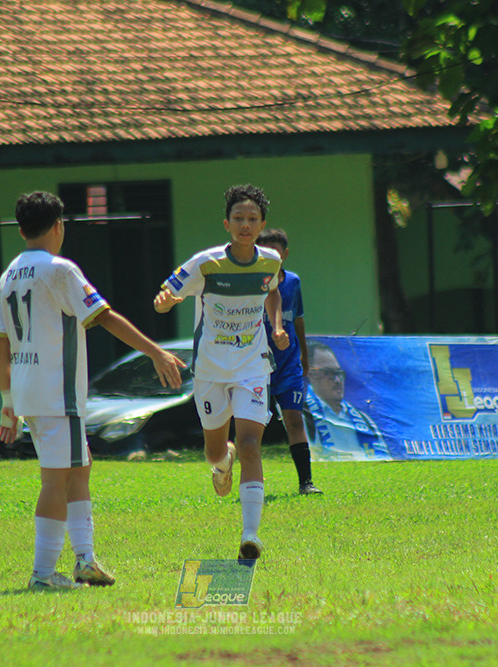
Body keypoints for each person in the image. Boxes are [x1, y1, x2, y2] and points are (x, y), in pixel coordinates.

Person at [0, 191, 185, 591]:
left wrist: (8, 401)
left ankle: (84, 559)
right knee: (56, 479)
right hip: (55, 392)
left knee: (80, 467)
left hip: (31, 391)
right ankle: (43, 574)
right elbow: (104, 316)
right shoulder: (59, 269)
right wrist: (156, 352)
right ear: (58, 226)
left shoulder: (10, 273)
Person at [153, 184, 288, 563]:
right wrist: (166, 301)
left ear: (262, 225)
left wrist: (275, 326)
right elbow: (166, 295)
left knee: (250, 445)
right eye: (239, 219)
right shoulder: (206, 263)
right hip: (211, 367)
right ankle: (221, 462)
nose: (245, 225)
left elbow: (273, 291)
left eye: (253, 219)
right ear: (226, 223)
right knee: (216, 451)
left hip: (252, 366)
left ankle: (251, 536)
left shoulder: (270, 262)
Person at [255, 228, 321, 495]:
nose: (271, 256)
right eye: (265, 251)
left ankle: (306, 482)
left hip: (288, 363)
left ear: (285, 254)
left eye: (276, 251)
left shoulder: (293, 281)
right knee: (254, 426)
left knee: (294, 419)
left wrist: (304, 353)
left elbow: (299, 319)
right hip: (256, 364)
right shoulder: (251, 283)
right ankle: (251, 484)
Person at [304, 340, 390, 460]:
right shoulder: (302, 414)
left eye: (339, 373)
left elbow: (383, 457)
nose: (337, 381)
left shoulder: (364, 421)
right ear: (311, 374)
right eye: (329, 373)